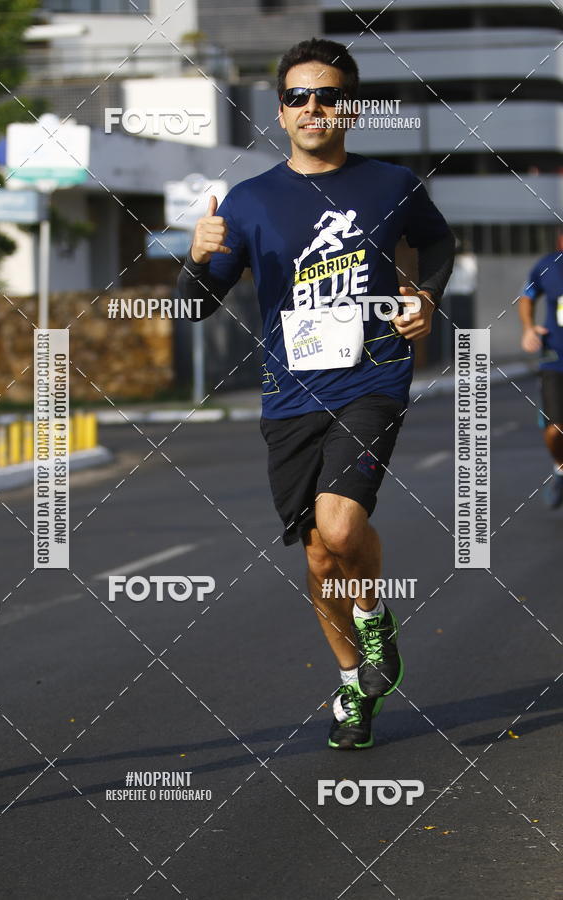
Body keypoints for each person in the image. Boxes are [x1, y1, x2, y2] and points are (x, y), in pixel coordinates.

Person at [177, 38, 455, 749]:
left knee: (340, 528)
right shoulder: (248, 201)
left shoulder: (391, 183)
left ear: (349, 109)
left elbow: (438, 242)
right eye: (297, 96)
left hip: (372, 378)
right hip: (289, 395)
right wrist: (196, 258)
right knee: (318, 558)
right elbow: (195, 306)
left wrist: (426, 296)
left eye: (327, 96)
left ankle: (373, 618)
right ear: (280, 112)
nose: (312, 107)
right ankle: (351, 685)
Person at [519, 235, 563, 508]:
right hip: (555, 359)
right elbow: (527, 296)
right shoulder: (549, 266)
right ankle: (560, 469)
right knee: (555, 430)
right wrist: (528, 328)